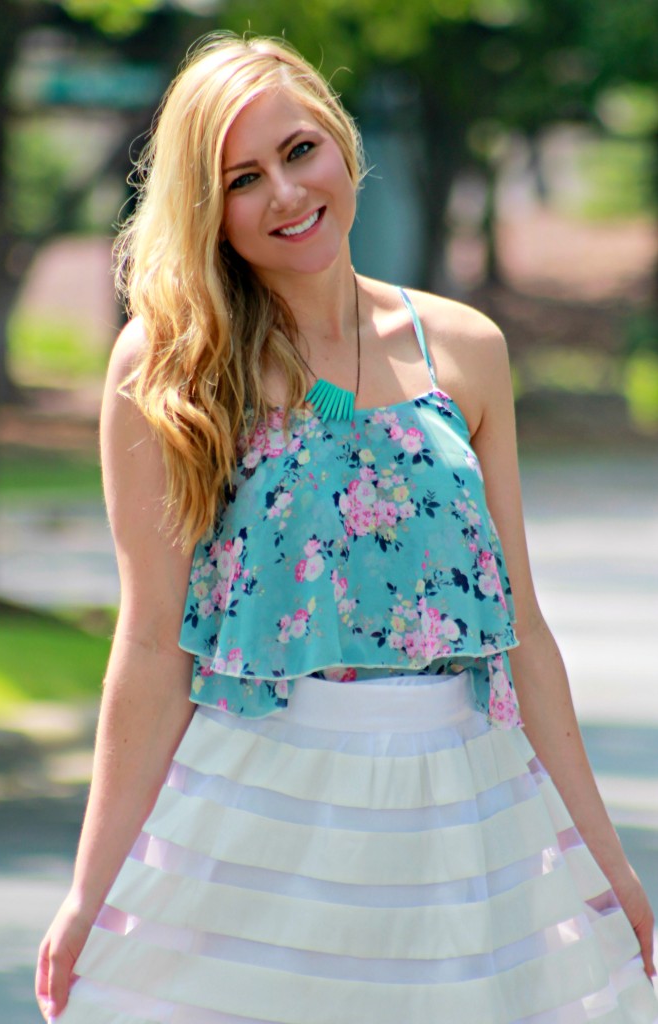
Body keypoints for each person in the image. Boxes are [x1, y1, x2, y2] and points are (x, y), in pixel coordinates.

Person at [36, 32, 658, 1024]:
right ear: (210, 212)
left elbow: (521, 632)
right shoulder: (172, 368)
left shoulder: (463, 350)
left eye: (298, 151)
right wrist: (85, 891)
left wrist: (604, 859)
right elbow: (152, 644)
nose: (284, 194)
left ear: (341, 143)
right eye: (241, 178)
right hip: (259, 809)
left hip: (462, 813)